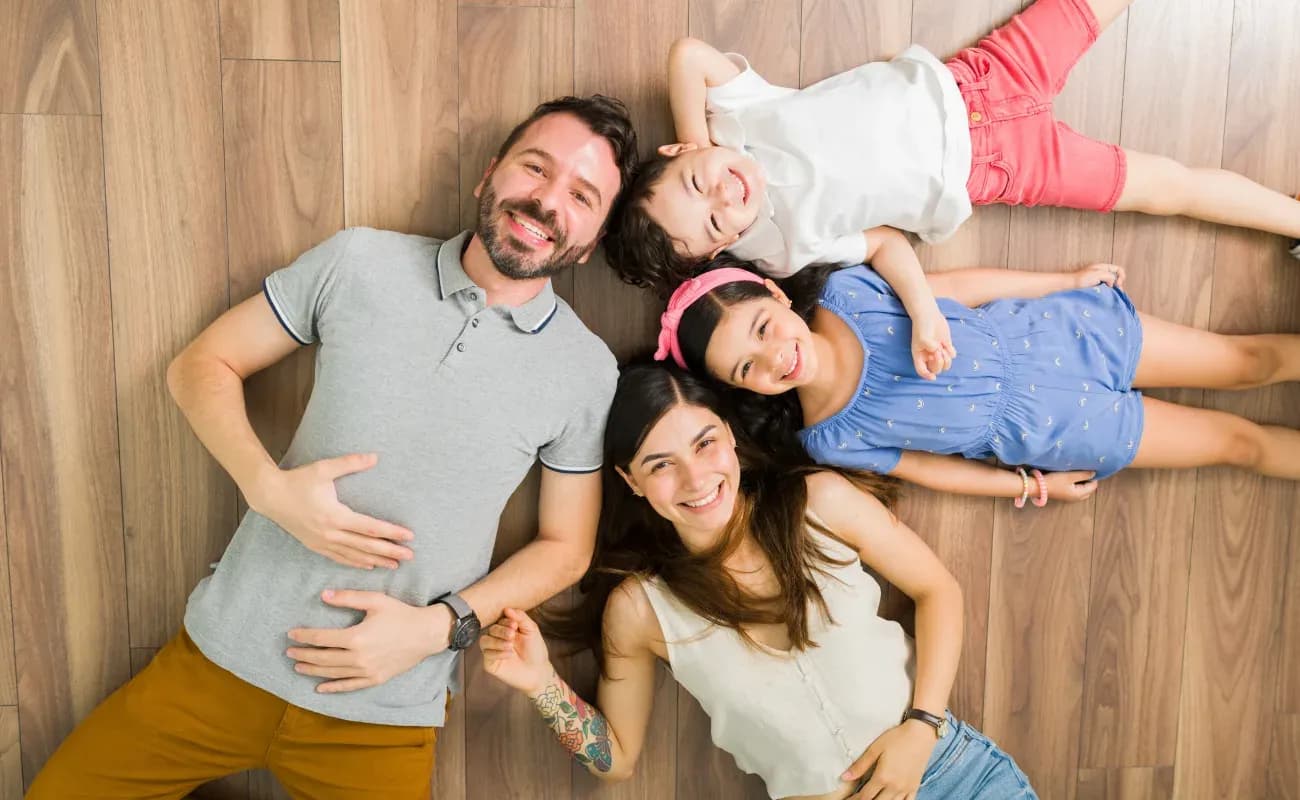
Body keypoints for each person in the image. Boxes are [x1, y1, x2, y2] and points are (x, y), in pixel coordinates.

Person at [27, 95, 637, 799]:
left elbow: (567, 548)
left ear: (590, 241)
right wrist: (266, 488)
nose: (547, 199)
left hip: (380, 709)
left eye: (582, 195)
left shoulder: (586, 371)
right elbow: (200, 367)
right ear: (490, 174)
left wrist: (440, 629)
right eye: (536, 167)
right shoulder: (361, 261)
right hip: (220, 660)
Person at [480, 362, 1039, 799]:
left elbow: (938, 590)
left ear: (729, 435)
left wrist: (922, 726)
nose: (696, 478)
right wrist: (541, 685)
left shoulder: (817, 501)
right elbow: (618, 760)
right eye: (660, 464)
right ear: (630, 481)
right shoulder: (639, 609)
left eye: (705, 443)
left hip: (954, 776)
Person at [603, 0, 1300, 299]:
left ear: (680, 148)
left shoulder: (733, 120)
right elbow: (879, 243)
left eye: (699, 181)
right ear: (721, 252)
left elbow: (688, 53)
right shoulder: (779, 252)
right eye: (718, 224)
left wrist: (699, 137)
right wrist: (926, 310)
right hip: (997, 169)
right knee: (1165, 188)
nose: (730, 196)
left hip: (979, 80)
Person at [651, 261, 1300, 503]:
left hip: (1059, 334)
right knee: (1235, 443)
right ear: (742, 390)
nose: (774, 360)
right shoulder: (829, 438)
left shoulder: (847, 293)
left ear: (775, 293)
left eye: (763, 328)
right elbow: (929, 469)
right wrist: (1023, 483)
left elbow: (963, 287)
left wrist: (1063, 281)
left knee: (1248, 362)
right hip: (1055, 431)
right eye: (747, 369)